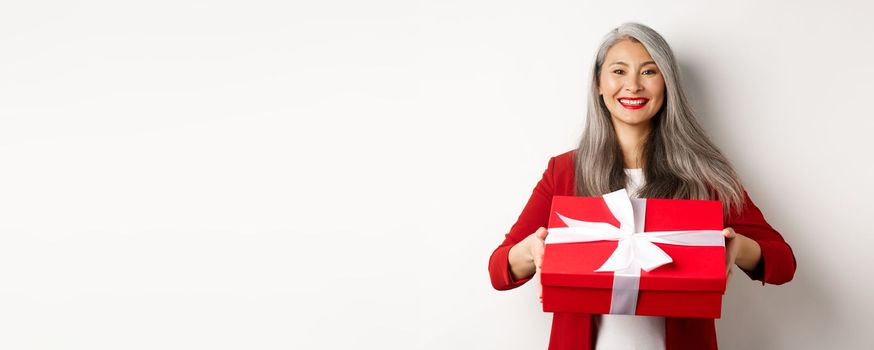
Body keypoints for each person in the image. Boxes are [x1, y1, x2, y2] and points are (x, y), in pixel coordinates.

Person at [487, 22, 797, 350]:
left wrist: (737, 248)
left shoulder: (705, 175)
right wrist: (531, 251)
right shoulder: (564, 171)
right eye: (619, 71)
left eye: (649, 72)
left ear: (668, 83)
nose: (633, 86)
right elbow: (498, 269)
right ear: (598, 84)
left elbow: (783, 264)